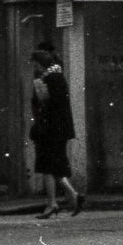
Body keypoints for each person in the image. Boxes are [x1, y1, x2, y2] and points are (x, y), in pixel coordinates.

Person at [29, 44, 84, 218]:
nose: (34, 67)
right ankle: (69, 198)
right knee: (54, 167)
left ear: (41, 63)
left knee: (48, 166)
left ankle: (54, 203)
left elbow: (50, 105)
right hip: (55, 129)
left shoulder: (52, 79)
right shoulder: (53, 77)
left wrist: (40, 106)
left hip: (51, 130)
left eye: (35, 64)